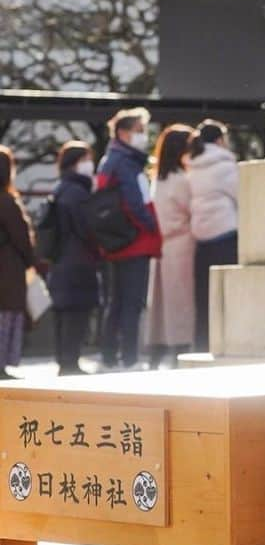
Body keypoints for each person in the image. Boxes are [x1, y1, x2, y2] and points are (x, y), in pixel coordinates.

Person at [97, 107, 161, 370]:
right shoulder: (127, 163)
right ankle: (130, 358)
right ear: (123, 132)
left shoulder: (109, 159)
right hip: (134, 241)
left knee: (116, 301)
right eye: (139, 130)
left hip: (115, 241)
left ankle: (110, 356)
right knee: (132, 303)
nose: (143, 136)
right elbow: (136, 204)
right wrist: (152, 226)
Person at [46, 141, 101, 375]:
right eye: (86, 160)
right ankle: (70, 362)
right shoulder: (78, 192)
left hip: (61, 260)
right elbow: (87, 227)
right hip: (78, 260)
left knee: (63, 313)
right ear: (76, 163)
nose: (90, 165)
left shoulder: (60, 188)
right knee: (76, 312)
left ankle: (64, 360)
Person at [187, 120, 239, 353]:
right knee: (225, 293)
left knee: (203, 295)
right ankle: (225, 341)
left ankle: (201, 343)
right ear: (220, 140)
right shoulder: (226, 165)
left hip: (200, 236)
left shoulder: (192, 165)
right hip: (225, 234)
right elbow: (242, 196)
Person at [147, 124, 196, 368]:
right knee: (182, 302)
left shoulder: (157, 179)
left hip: (161, 247)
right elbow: (192, 210)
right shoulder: (182, 180)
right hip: (183, 244)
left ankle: (156, 350)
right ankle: (181, 348)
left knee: (161, 304)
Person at [0, 146, 35, 380]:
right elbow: (21, 238)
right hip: (7, 270)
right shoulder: (6, 201)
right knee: (6, 318)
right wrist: (32, 261)